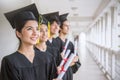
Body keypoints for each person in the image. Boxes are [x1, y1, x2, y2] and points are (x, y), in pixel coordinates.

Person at [0, 4, 58, 80]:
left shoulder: (48, 58)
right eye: (29, 29)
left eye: (37, 29)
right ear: (19, 33)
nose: (35, 33)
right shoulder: (10, 61)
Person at [55, 13, 81, 80]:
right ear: (60, 27)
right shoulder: (54, 43)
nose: (68, 28)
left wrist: (70, 62)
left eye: (69, 26)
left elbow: (77, 62)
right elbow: (53, 64)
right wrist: (68, 62)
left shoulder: (70, 44)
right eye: (66, 26)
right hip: (58, 75)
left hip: (69, 74)